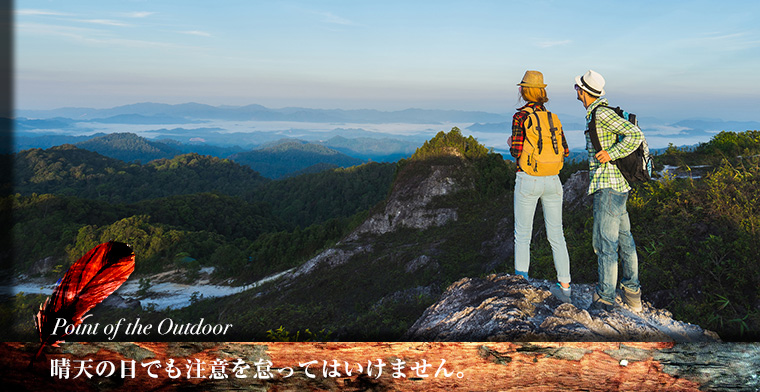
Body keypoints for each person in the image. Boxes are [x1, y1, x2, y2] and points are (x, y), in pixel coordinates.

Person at [574, 69, 643, 312]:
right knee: (625, 240)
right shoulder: (598, 113)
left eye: (577, 89)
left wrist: (611, 153)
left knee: (605, 244)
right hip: (619, 186)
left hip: (609, 187)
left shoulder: (601, 113)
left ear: (583, 92)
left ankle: (605, 298)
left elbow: (635, 134)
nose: (576, 93)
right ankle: (632, 292)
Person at [508, 70, 572, 303]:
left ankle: (521, 285)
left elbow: (516, 151)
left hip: (528, 178)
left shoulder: (520, 117)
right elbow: (564, 150)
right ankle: (565, 289)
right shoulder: (552, 117)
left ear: (523, 91)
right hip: (553, 180)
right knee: (557, 235)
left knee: (522, 236)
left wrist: (510, 143)